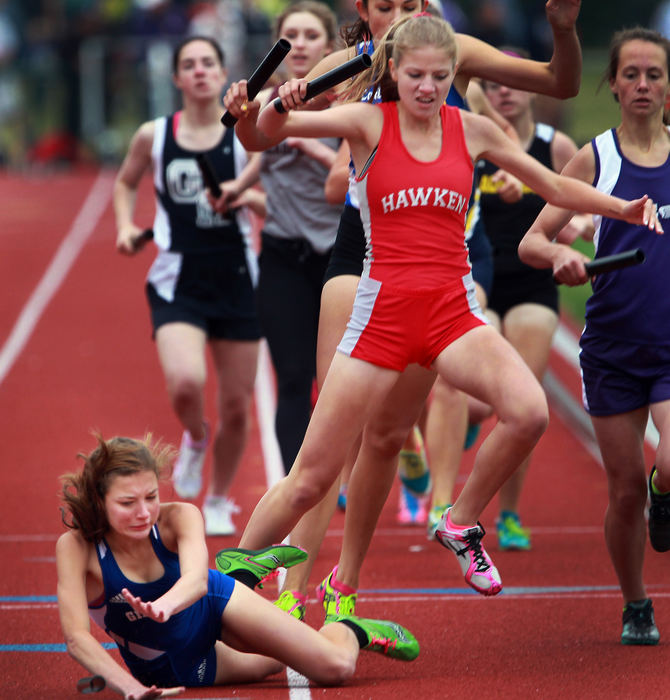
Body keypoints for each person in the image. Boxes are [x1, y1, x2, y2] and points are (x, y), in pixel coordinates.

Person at [224, 14, 660, 610]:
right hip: (379, 320)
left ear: (454, 74)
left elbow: (553, 187)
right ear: (394, 74)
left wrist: (623, 208)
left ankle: (458, 521)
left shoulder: (474, 129)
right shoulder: (365, 121)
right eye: (415, 76)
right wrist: (266, 105)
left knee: (529, 412)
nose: (427, 88)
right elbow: (260, 136)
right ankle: (231, 585)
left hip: (452, 313)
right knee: (311, 479)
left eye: (438, 76)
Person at [55, 434, 420, 699]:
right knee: (274, 665)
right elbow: (76, 637)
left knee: (336, 667)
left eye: (151, 496)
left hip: (213, 603)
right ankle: (243, 573)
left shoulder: (179, 517)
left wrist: (164, 606)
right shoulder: (77, 549)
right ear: (99, 501)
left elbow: (196, 580)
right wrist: (130, 688)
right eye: (127, 502)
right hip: (168, 667)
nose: (143, 512)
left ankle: (348, 628)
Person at [518, 27, 669, 645]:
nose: (641, 85)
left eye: (653, 74)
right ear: (612, 83)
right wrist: (561, 259)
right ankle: (636, 602)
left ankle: (668, 493)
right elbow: (534, 239)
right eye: (630, 74)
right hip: (611, 346)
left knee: (667, 470)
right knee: (624, 488)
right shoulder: (596, 158)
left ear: (668, 84)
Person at [425, 63, 593, 547]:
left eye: (514, 87)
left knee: (525, 399)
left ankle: (510, 513)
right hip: (478, 272)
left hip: (532, 284)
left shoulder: (553, 145)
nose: (504, 94)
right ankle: (444, 491)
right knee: (470, 397)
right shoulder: (470, 133)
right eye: (494, 86)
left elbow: (574, 202)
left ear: (531, 95)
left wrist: (566, 218)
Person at [114, 36, 262, 536]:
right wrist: (124, 226)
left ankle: (218, 498)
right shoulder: (154, 135)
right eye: (189, 65)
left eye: (208, 63)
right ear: (176, 78)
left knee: (239, 407)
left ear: (223, 74)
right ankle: (195, 437)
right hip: (178, 279)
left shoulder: (246, 135)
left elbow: (268, 188)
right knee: (186, 381)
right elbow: (125, 181)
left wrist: (244, 196)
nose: (199, 71)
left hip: (238, 277)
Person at [237, 1, 344, 476]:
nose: (300, 45)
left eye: (310, 36)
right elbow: (253, 147)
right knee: (294, 380)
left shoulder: (351, 102)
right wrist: (243, 118)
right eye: (291, 36)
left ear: (329, 44)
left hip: (342, 261)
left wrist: (310, 148)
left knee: (342, 383)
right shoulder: (266, 103)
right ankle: (293, 492)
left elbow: (356, 184)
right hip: (283, 256)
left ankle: (345, 470)